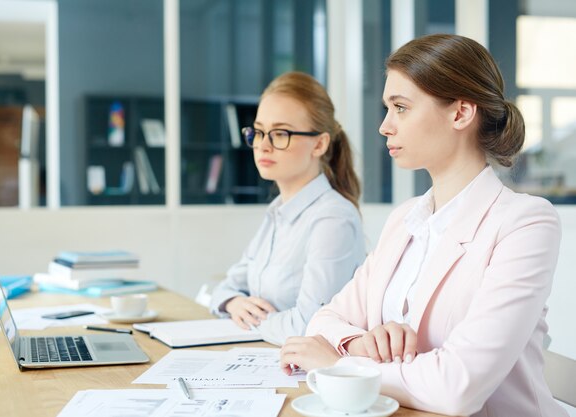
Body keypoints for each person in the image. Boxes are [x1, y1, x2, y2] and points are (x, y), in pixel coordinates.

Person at [280, 34, 566, 417]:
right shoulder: (406, 219)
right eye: (387, 108)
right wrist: (363, 343)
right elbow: (325, 318)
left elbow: (457, 387)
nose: (384, 126)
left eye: (400, 107)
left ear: (461, 113)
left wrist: (341, 366)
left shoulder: (525, 223)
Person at [209, 71, 366, 346]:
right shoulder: (278, 211)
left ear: (319, 143)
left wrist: (253, 321)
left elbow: (310, 325)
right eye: (258, 132)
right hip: (265, 357)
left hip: (307, 375)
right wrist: (233, 303)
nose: (264, 146)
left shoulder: (332, 218)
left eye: (280, 133)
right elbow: (226, 286)